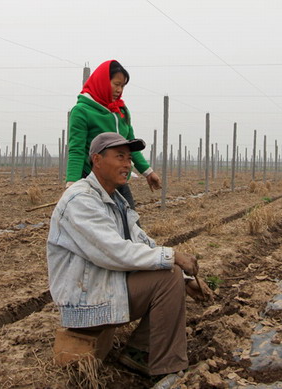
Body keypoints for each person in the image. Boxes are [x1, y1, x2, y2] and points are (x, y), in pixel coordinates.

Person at [48, 132, 199, 378]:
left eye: (129, 158)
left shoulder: (116, 199)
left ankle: (140, 352)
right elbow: (114, 252)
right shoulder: (80, 200)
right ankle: (167, 368)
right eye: (120, 157)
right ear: (97, 160)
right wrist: (173, 256)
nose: (128, 164)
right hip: (84, 303)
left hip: (103, 287)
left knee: (172, 275)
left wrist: (185, 278)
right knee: (168, 276)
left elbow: (142, 243)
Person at [66, 60, 161, 208]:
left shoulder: (121, 110)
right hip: (94, 182)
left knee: (130, 220)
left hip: (119, 180)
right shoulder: (82, 111)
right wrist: (72, 185)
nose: (119, 90)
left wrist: (148, 172)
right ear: (103, 82)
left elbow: (130, 145)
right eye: (116, 84)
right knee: (96, 221)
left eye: (122, 86)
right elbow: (76, 150)